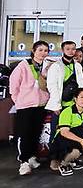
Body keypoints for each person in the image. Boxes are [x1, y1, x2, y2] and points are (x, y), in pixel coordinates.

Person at [9, 41, 51, 176]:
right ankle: (24, 161)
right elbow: (14, 85)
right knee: (24, 134)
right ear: (33, 51)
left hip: (41, 105)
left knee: (35, 133)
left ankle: (32, 157)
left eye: (45, 50)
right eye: (40, 50)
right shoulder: (24, 65)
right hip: (25, 106)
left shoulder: (47, 66)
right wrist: (19, 100)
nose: (43, 53)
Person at [45, 41, 83, 135]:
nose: (71, 51)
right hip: (60, 105)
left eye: (73, 49)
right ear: (62, 50)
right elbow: (52, 86)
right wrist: (56, 105)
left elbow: (81, 84)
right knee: (56, 132)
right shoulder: (56, 66)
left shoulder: (78, 66)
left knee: (73, 131)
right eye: (68, 49)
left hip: (74, 104)